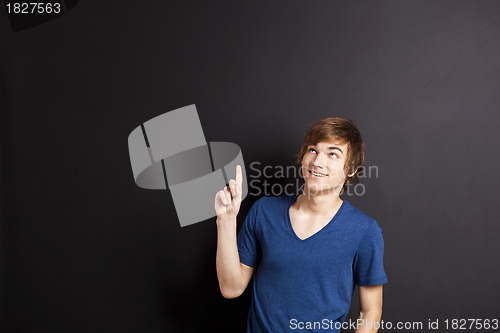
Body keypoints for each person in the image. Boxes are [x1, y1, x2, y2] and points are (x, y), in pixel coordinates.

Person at [215, 117, 388, 333]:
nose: (317, 162)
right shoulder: (264, 211)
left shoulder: (364, 231)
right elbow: (231, 288)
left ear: (351, 169)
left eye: (332, 154)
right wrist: (226, 220)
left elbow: (370, 311)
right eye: (313, 150)